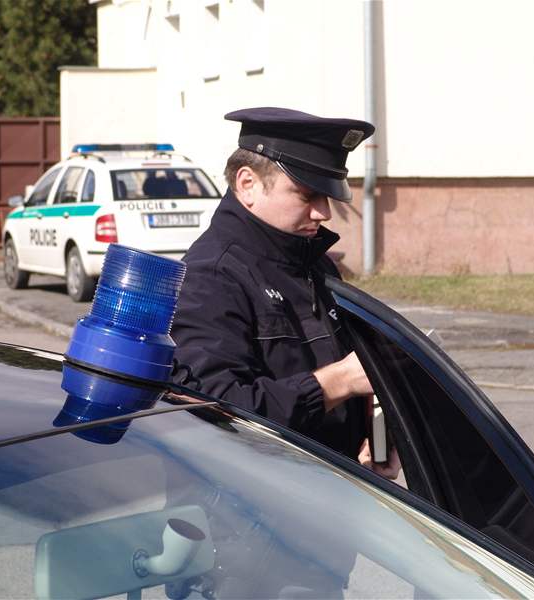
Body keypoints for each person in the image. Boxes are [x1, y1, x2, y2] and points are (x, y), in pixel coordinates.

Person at [171, 107, 399, 477]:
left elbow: (342, 368)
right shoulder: (211, 275)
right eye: (307, 195)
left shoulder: (309, 262)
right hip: (251, 510)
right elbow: (215, 412)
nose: (323, 213)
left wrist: (372, 436)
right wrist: (339, 381)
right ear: (247, 185)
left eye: (327, 197)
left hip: (327, 489)